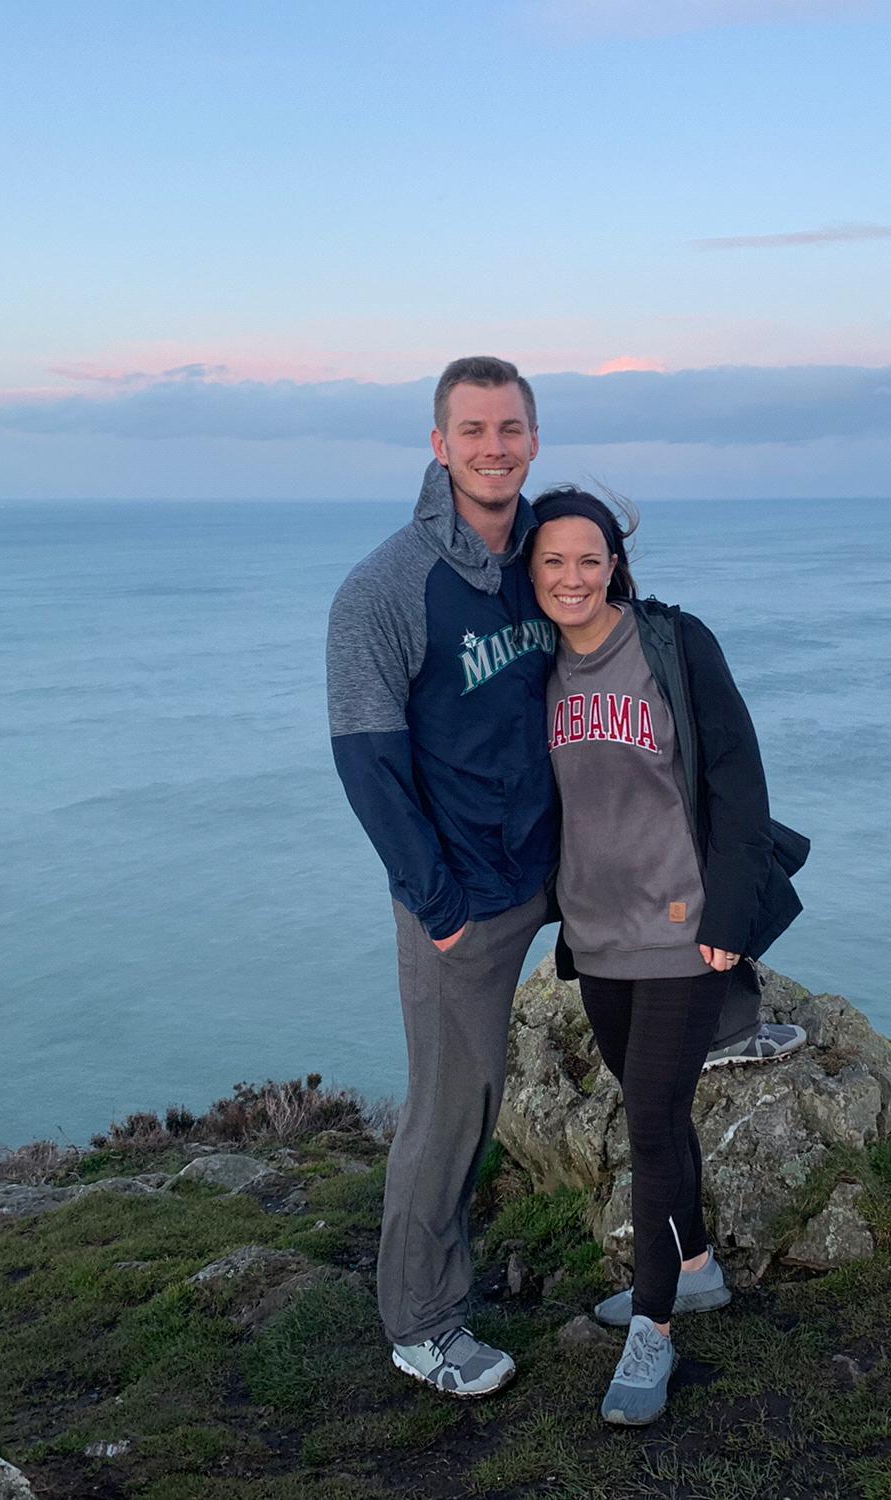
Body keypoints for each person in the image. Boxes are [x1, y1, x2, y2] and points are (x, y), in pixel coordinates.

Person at [528, 485, 806, 1426]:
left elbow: (739, 776)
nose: (572, 577)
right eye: (553, 560)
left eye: (589, 559)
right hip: (595, 933)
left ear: (616, 564)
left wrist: (729, 913)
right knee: (659, 1114)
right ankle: (694, 1268)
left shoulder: (674, 646)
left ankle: (653, 1329)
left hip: (685, 931)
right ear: (532, 572)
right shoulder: (534, 668)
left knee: (648, 1124)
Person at [326, 356, 558, 1398]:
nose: (492, 448)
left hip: (556, 860)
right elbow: (367, 765)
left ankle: (732, 1022)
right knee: (453, 1109)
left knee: (669, 952)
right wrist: (439, 905)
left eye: (509, 429)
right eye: (472, 430)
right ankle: (421, 1321)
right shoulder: (385, 588)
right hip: (462, 897)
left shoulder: (547, 558)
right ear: (438, 445)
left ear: (534, 440)